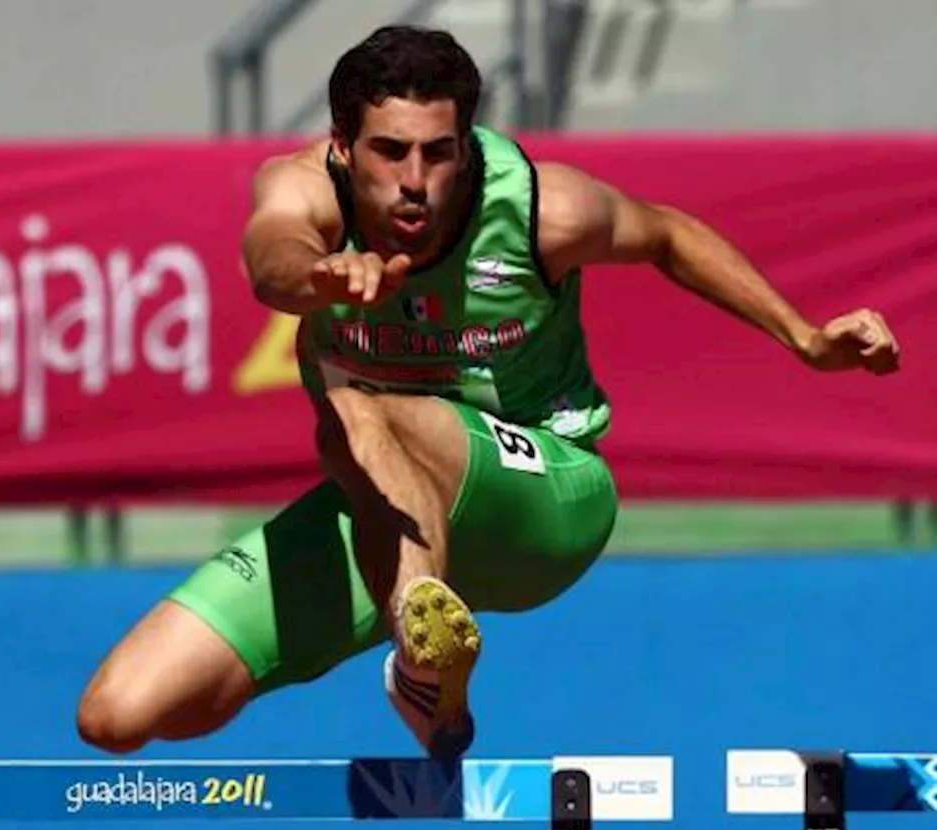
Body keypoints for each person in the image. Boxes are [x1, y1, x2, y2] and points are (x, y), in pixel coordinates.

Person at [75, 26, 900, 760]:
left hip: (548, 499)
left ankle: (418, 662)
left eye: (438, 152)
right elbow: (271, 258)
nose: (414, 181)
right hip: (388, 509)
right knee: (119, 713)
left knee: (358, 397)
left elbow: (669, 233)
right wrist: (322, 274)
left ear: (466, 147)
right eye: (390, 152)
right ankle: (434, 685)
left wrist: (805, 336)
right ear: (339, 146)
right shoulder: (300, 190)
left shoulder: (543, 209)